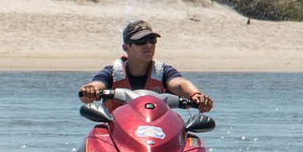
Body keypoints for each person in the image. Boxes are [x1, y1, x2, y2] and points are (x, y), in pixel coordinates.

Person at [79, 20, 214, 112]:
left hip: (155, 131)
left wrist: (195, 95)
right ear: (126, 47)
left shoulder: (163, 71)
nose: (148, 45)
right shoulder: (113, 72)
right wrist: (90, 90)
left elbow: (180, 84)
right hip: (118, 132)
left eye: (152, 40)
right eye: (141, 41)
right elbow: (89, 93)